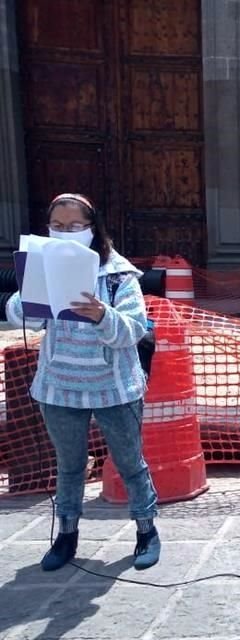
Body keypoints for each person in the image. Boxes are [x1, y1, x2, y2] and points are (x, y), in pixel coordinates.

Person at [6, 193, 161, 570]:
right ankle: (67, 536)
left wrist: (101, 315)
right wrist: (27, 297)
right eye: (57, 227)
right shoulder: (42, 266)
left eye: (75, 226)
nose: (65, 233)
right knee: (70, 465)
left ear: (93, 229)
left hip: (113, 385)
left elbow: (133, 330)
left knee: (130, 462)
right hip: (59, 386)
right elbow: (18, 315)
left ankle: (146, 530)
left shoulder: (119, 276)